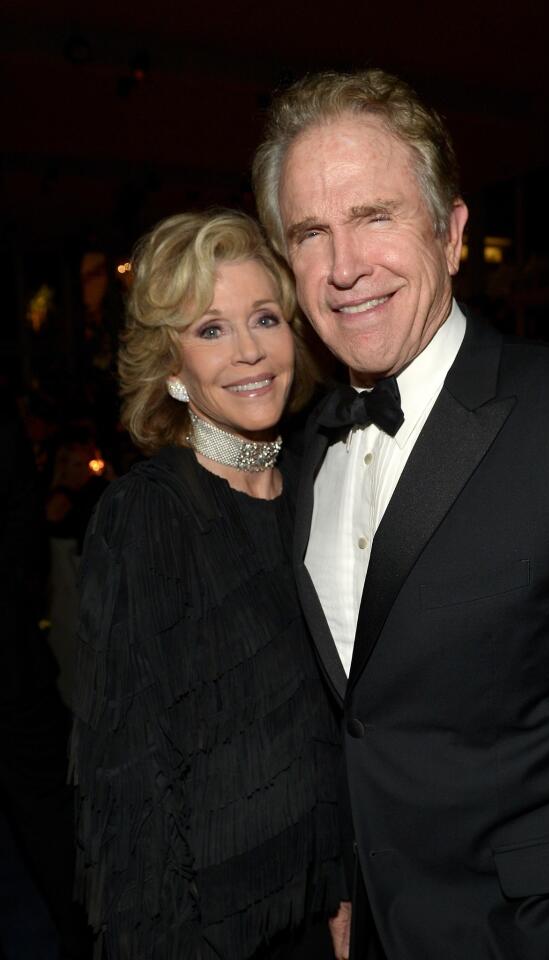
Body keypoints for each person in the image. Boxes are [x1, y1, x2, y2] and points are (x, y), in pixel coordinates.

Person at [252, 69, 549, 959]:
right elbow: (354, 721)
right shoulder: (305, 453)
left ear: (452, 234)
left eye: (376, 215)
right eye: (312, 232)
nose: (345, 267)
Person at [70, 211, 341, 959]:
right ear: (171, 365)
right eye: (211, 329)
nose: (251, 351)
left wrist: (344, 892)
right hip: (208, 937)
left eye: (264, 318)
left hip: (323, 916)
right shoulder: (147, 517)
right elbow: (129, 787)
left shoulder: (321, 488)